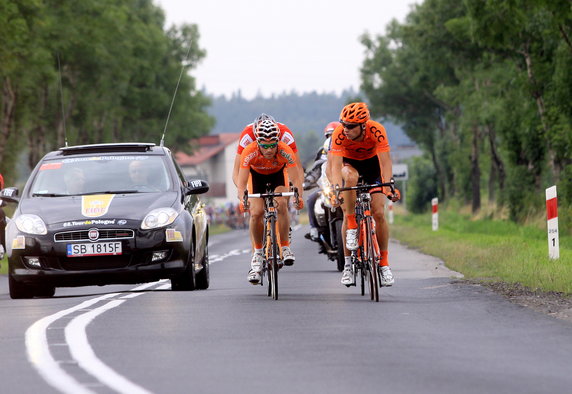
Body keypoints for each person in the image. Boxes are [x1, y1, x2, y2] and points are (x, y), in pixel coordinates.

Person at [328, 102, 400, 287]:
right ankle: (348, 263)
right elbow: (334, 167)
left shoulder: (376, 130)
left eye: (350, 126)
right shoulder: (339, 134)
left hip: (373, 166)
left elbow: (385, 163)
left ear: (363, 125)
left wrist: (389, 187)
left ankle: (383, 265)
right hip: (348, 165)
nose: (345, 129)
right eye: (343, 124)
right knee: (350, 179)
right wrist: (336, 189)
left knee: (378, 213)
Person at [236, 118, 304, 285]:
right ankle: (258, 253)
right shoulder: (249, 150)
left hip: (279, 175)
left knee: (281, 203)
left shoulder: (285, 149)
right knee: (256, 212)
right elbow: (241, 180)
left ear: (278, 141)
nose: (268, 149)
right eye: (264, 146)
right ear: (257, 141)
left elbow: (296, 177)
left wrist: (298, 196)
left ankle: (285, 246)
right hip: (256, 176)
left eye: (272, 145)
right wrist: (242, 198)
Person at [304, 121, 340, 241]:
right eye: (329, 136)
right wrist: (308, 180)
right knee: (311, 199)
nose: (332, 138)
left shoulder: (346, 149)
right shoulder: (322, 151)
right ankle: (314, 228)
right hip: (327, 185)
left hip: (343, 187)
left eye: (334, 135)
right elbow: (316, 169)